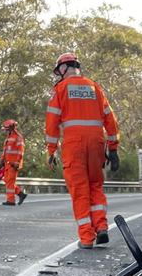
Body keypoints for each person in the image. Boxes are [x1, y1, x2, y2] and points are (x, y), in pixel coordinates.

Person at [44, 52, 119, 249]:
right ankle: (102, 227)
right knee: (95, 185)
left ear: (63, 68)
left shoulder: (60, 89)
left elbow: (52, 123)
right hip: (96, 143)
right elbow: (110, 120)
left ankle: (87, 238)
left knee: (80, 190)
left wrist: (51, 151)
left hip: (74, 145)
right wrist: (113, 149)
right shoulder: (94, 87)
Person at [0, 119, 27, 206]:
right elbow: (5, 151)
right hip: (7, 163)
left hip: (14, 164)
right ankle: (21, 194)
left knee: (10, 181)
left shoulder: (18, 137)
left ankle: (10, 200)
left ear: (11, 128)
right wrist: (2, 161)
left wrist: (17, 162)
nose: (5, 131)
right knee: (7, 180)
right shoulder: (8, 138)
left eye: (6, 129)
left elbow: (21, 151)